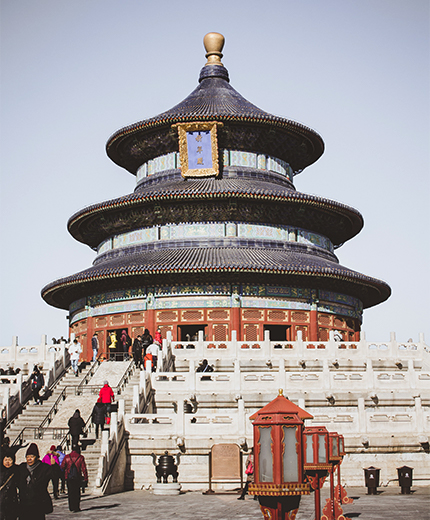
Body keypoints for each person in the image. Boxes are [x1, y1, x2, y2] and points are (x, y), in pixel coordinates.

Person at [18, 443, 52, 520]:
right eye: (27, 457)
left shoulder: (44, 468)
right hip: (24, 505)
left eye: (32, 456)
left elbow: (56, 475)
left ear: (36, 457)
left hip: (38, 505)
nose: (29, 459)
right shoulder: (22, 468)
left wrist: (55, 466)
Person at [61, 445, 88, 513]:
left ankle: (71, 507)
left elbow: (62, 466)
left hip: (69, 477)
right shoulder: (80, 457)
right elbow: (84, 469)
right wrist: (85, 478)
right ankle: (76, 507)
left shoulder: (67, 457)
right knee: (77, 492)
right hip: (77, 477)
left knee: (70, 492)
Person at [0, 449, 19, 520]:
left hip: (11, 503)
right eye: (5, 460)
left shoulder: (16, 471)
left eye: (10, 460)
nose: (7, 462)